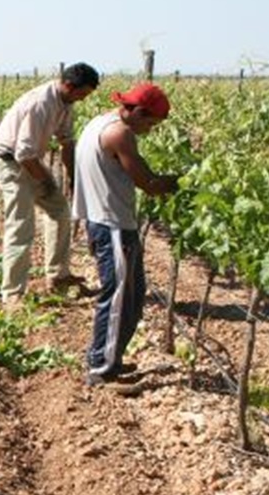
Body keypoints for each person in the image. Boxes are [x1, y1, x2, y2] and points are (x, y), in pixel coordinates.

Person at [71, 83, 180, 387]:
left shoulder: (98, 122)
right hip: (113, 227)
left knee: (132, 296)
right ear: (139, 112)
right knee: (118, 297)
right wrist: (188, 182)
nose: (151, 129)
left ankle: (111, 359)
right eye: (151, 122)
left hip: (104, 223)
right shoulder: (120, 133)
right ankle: (101, 368)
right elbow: (149, 182)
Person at [0, 62, 100, 309]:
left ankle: (58, 276)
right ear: (69, 85)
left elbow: (67, 142)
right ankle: (12, 294)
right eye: (82, 94)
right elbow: (24, 154)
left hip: (30, 162)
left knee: (60, 211)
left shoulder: (65, 103)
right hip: (10, 162)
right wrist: (45, 181)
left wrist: (73, 177)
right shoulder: (41, 104)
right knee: (21, 225)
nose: (83, 99)